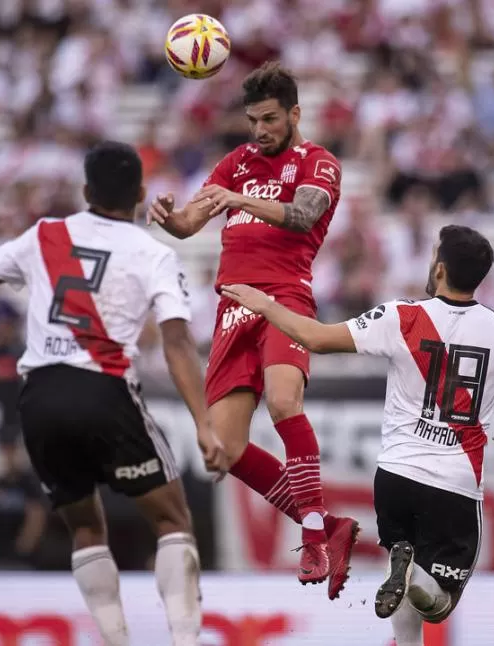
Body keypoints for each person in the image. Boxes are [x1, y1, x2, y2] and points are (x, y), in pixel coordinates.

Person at [221, 225, 494, 645]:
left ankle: (407, 580)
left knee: (402, 580)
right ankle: (416, 574)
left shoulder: (400, 316)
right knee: (439, 603)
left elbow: (314, 337)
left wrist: (266, 304)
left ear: (439, 269)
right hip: (454, 484)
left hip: (395, 478)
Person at [0, 141, 219, 646]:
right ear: (140, 193)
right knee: (172, 518)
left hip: (40, 397)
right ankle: (185, 639)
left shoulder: (45, 234)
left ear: (86, 190)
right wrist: (203, 423)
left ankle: (115, 640)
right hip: (103, 389)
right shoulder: (154, 254)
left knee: (86, 527)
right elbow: (176, 341)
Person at [148, 60, 358, 598]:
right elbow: (193, 220)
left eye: (269, 119)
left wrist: (241, 200)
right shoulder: (235, 162)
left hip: (282, 300)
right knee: (225, 445)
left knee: (285, 402)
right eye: (252, 120)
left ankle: (313, 536)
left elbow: (304, 215)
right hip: (231, 308)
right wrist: (170, 216)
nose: (260, 130)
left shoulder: (319, 162)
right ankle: (329, 526)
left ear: (294, 114)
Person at [0, 434, 47, 570]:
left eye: (12, 451)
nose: (8, 456)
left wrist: (25, 544)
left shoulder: (28, 482)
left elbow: (37, 515)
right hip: (1, 550)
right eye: (5, 451)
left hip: (23, 553)